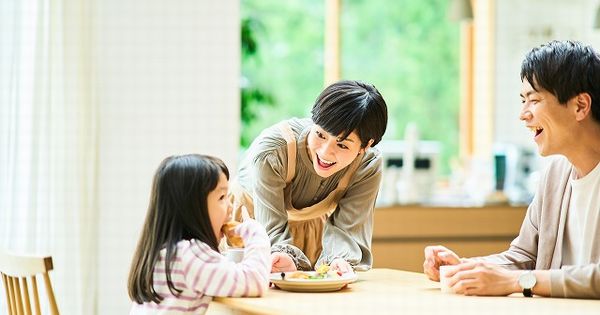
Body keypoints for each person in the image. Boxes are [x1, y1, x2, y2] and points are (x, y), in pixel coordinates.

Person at [423, 40, 600, 299]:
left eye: (534, 100)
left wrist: (520, 281)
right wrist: (465, 269)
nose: (523, 114)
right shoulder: (554, 175)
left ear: (580, 106)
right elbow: (523, 256)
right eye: (522, 101)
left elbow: (521, 276)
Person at [233, 80, 388, 273]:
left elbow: (348, 227)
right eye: (321, 135)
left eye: (342, 145)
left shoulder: (367, 164)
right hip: (253, 223)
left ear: (365, 146)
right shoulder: (273, 151)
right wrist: (283, 256)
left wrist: (338, 261)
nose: (325, 152)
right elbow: (270, 226)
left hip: (312, 230)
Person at [127, 154, 271, 314]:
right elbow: (255, 282)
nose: (230, 206)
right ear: (192, 209)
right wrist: (255, 233)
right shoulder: (189, 253)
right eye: (222, 197)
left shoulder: (164, 253)